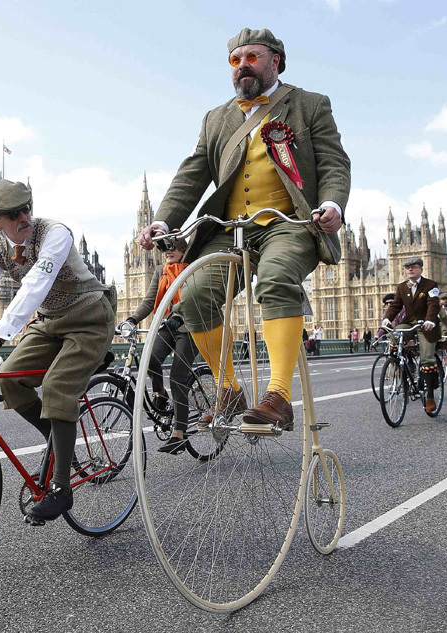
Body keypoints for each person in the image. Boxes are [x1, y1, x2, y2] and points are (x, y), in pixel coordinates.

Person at [136, 28, 351, 433]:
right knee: (194, 293)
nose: (242, 66)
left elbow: (334, 163)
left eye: (251, 57)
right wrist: (164, 219)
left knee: (275, 277)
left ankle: (278, 398)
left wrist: (333, 205)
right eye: (235, 60)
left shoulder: (310, 105)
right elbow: (193, 174)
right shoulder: (217, 118)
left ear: (276, 61)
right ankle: (230, 388)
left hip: (286, 224)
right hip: (229, 228)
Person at [0, 179, 116, 522]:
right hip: (50, 321)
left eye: (27, 208)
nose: (24, 216)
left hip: (90, 317)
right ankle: (57, 441)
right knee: (9, 381)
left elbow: (34, 285)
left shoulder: (54, 233)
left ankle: (61, 490)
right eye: (13, 214)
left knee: (58, 387)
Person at [123, 237, 197, 454]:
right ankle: (160, 393)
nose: (167, 252)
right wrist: (132, 319)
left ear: (183, 250)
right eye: (164, 249)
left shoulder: (193, 269)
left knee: (177, 378)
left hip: (190, 328)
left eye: (172, 248)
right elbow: (150, 300)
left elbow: (195, 298)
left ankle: (179, 434)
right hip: (167, 325)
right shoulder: (160, 270)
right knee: (149, 360)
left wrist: (180, 314)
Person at [382, 257, 442, 412]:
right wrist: (387, 318)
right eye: (407, 267)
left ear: (421, 269)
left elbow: (433, 305)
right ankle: (398, 362)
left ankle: (429, 396)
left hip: (425, 325)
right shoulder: (402, 287)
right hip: (409, 323)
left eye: (413, 267)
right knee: (393, 334)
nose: (410, 270)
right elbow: (396, 305)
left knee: (427, 358)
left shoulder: (430, 285)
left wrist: (430, 321)